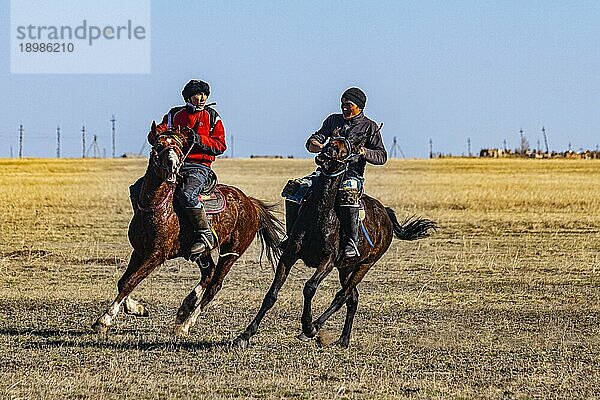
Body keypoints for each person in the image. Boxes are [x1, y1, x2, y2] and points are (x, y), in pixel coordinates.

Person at [281, 87, 387, 257]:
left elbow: (382, 156)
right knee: (295, 188)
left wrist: (364, 152)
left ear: (359, 106)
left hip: (351, 176)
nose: (344, 107)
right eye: (342, 103)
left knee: (348, 194)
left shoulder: (369, 127)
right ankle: (291, 237)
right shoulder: (333, 120)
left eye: (348, 104)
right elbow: (313, 141)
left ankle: (351, 242)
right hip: (325, 173)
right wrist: (316, 145)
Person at [130, 79, 227, 260]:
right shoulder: (174, 115)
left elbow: (221, 146)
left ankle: (204, 233)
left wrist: (199, 140)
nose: (202, 98)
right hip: (174, 164)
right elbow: (160, 131)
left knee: (187, 194)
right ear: (188, 97)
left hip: (198, 167)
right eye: (198, 94)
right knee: (137, 189)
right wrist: (155, 134)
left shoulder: (212, 117)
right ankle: (144, 227)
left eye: (205, 94)